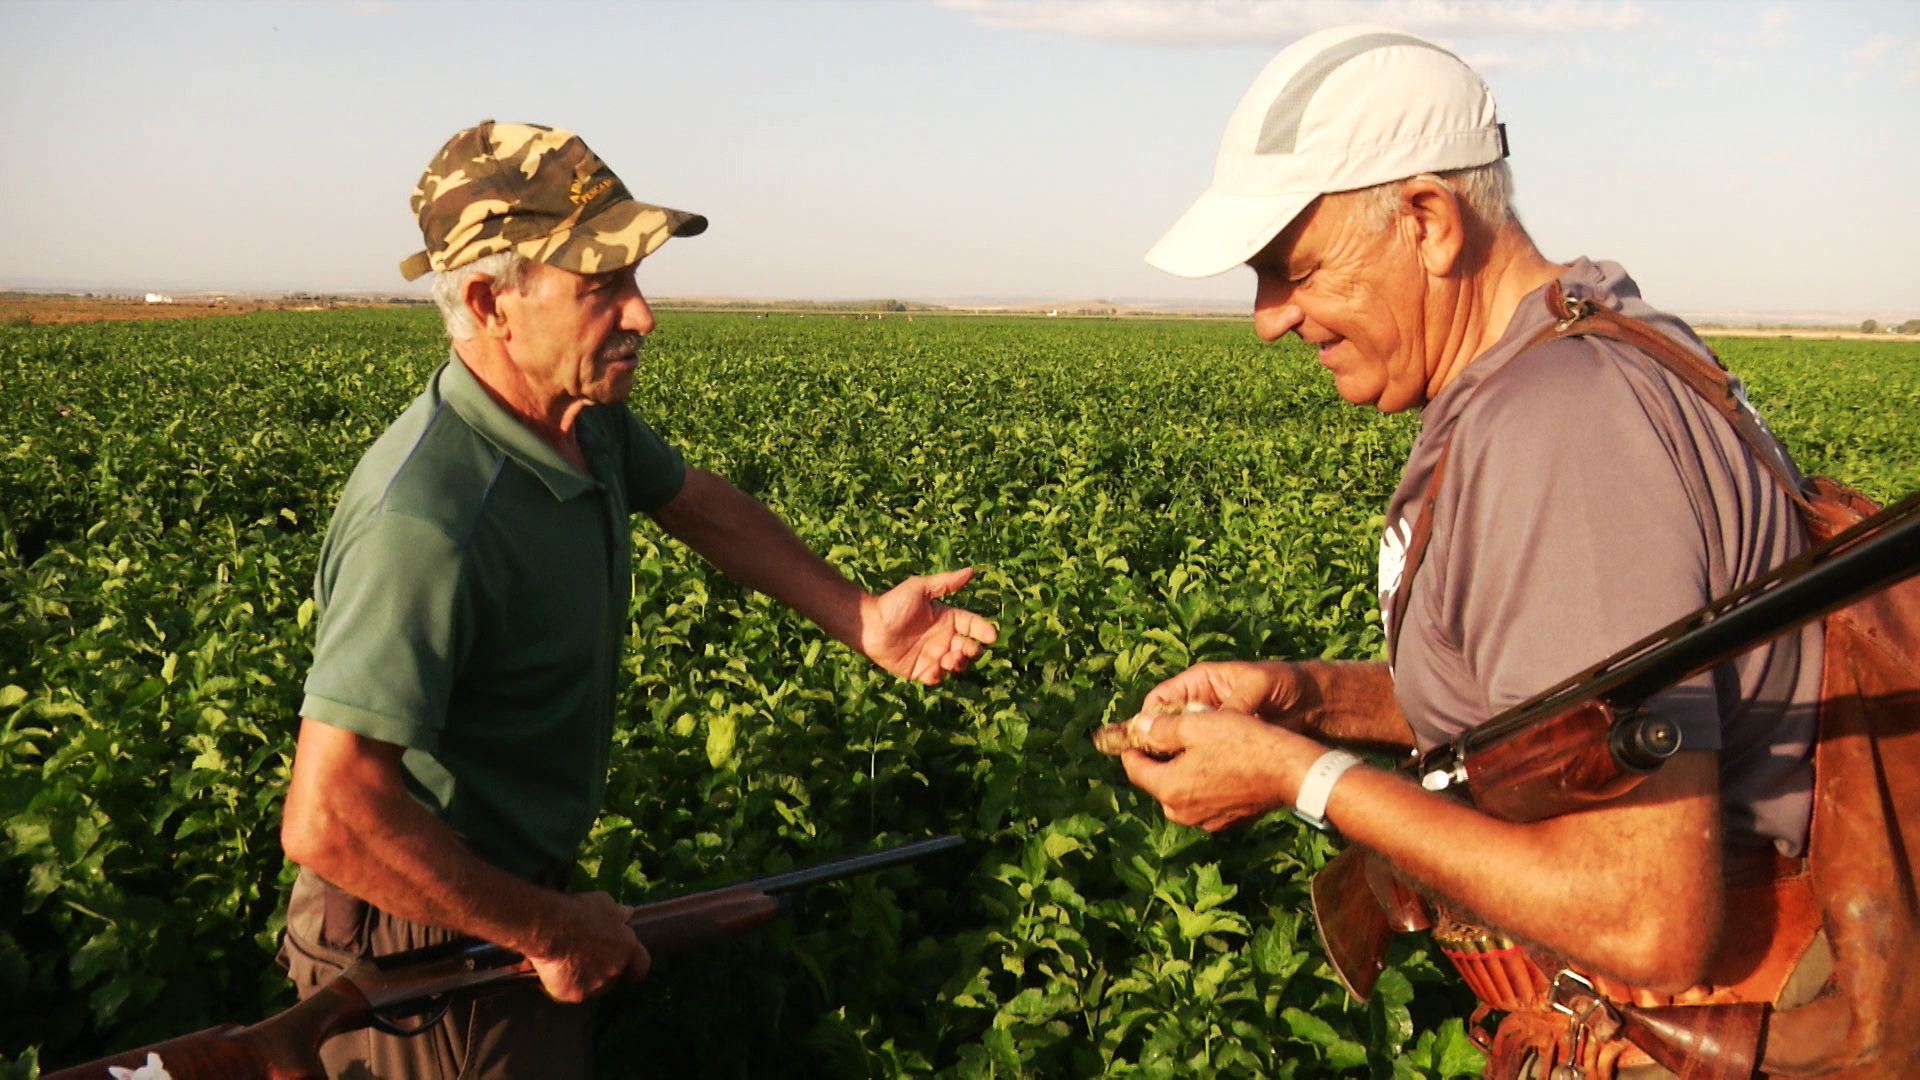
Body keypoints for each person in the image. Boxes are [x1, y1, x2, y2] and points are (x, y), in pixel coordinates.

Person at [1118, 26, 1825, 1080]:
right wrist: (1311, 698)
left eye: (1294, 270)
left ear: (1427, 220)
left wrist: (1300, 779)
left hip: (1695, 1028)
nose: (1269, 319)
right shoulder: (1585, 351)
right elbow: (1557, 702)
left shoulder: (1565, 426)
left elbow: (1648, 920)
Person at [275, 120, 998, 1080]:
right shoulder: (428, 519)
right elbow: (332, 816)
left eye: (636, 278)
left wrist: (859, 615)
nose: (644, 314)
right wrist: (548, 927)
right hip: (421, 946)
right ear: (490, 303)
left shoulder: (585, 421)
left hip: (505, 904)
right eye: (602, 284)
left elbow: (695, 501)